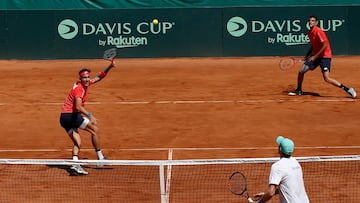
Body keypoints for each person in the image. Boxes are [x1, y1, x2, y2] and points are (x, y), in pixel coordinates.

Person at [59, 57, 116, 175]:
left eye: (87, 77)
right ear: (80, 78)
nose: (87, 79)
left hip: (64, 118)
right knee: (94, 130)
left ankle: (75, 164)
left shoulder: (84, 84)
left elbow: (98, 77)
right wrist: (90, 115)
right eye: (84, 78)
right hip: (72, 116)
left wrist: (109, 67)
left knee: (77, 142)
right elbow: (78, 107)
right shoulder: (79, 89)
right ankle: (100, 158)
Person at [288, 15, 356, 98]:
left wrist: (314, 57)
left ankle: (348, 89)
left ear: (316, 22)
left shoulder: (318, 31)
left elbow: (325, 45)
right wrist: (307, 55)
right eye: (309, 20)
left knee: (327, 78)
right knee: (301, 71)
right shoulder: (310, 33)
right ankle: (299, 90)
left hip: (325, 56)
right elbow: (313, 46)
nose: (310, 22)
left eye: (313, 21)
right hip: (316, 56)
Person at [253, 136, 310, 203]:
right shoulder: (296, 163)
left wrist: (259, 202)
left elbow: (270, 193)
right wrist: (265, 194)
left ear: (280, 149)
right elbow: (289, 187)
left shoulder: (277, 166)